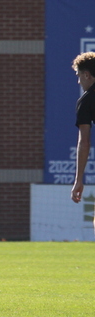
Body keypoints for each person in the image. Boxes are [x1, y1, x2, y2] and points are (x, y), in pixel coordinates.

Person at [71, 52, 95, 209]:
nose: (79, 81)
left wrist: (78, 180)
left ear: (87, 75)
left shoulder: (86, 101)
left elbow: (84, 142)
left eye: (79, 76)